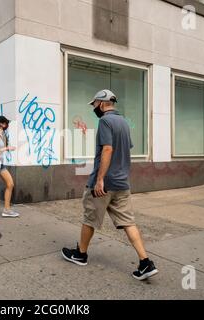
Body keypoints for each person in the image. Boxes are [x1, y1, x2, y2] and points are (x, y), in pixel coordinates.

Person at [61, 89, 159, 281]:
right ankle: (145, 261)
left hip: (104, 184)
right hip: (122, 183)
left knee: (90, 218)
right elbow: (124, 149)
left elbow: (108, 149)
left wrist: (100, 179)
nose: (94, 108)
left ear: (102, 103)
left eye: (95, 104)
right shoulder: (123, 122)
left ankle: (81, 254)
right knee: (128, 222)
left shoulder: (105, 121)